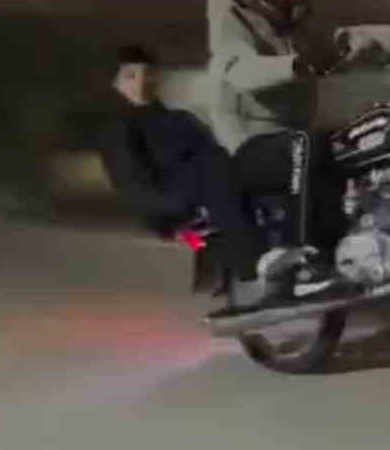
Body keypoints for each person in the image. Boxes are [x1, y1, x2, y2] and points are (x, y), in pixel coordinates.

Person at [207, 0, 390, 309]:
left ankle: (354, 248)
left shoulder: (295, 23)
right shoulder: (229, 24)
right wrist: (294, 65)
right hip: (247, 143)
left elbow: (343, 41)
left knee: (354, 140)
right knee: (307, 144)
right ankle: (303, 264)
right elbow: (239, 69)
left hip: (292, 137)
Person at [97, 44, 265, 306]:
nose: (141, 81)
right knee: (211, 172)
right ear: (116, 84)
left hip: (205, 200)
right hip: (171, 213)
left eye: (148, 74)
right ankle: (251, 269)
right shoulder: (120, 129)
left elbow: (216, 155)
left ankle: (283, 254)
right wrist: (171, 220)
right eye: (130, 76)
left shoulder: (181, 119)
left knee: (246, 166)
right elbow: (133, 186)